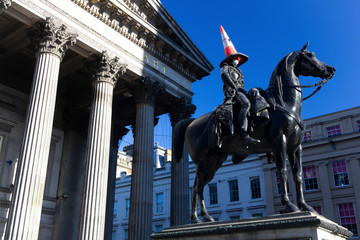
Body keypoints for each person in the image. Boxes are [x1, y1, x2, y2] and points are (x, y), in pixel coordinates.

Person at [220, 58, 260, 147]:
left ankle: (254, 126)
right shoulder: (225, 67)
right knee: (246, 104)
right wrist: (234, 87)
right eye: (235, 59)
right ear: (230, 60)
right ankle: (243, 132)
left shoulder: (239, 71)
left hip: (242, 91)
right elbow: (225, 75)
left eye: (238, 59)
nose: (237, 61)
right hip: (234, 92)